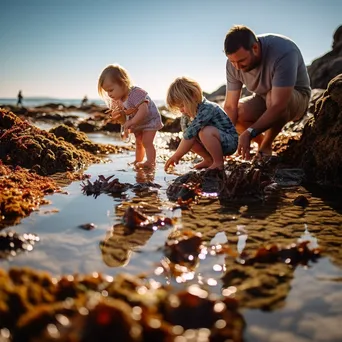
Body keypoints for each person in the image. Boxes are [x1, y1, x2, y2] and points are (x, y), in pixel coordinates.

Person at [223, 25, 311, 160]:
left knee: (273, 98)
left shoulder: (283, 51)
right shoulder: (234, 64)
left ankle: (267, 144)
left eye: (241, 61)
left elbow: (279, 105)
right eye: (232, 61)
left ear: (255, 48)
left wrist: (249, 132)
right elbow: (230, 107)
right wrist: (224, 142)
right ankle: (262, 142)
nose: (237, 67)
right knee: (239, 110)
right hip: (263, 98)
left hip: (295, 99)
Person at [164, 77, 238, 171]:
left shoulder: (207, 108)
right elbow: (187, 136)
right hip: (213, 142)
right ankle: (208, 160)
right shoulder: (186, 115)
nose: (181, 110)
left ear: (194, 96)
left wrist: (176, 156)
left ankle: (218, 162)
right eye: (179, 108)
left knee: (205, 132)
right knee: (190, 137)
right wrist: (177, 154)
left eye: (182, 105)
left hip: (229, 142)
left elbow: (190, 135)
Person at [98, 64, 163, 169]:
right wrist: (121, 120)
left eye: (111, 90)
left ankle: (151, 162)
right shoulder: (118, 100)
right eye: (107, 92)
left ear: (123, 83)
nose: (109, 94)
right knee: (138, 143)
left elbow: (144, 110)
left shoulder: (135, 93)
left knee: (147, 142)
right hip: (138, 123)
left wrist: (132, 122)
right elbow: (125, 119)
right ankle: (138, 161)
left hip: (150, 120)